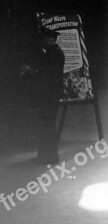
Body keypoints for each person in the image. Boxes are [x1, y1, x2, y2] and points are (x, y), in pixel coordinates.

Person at [21, 27, 65, 165]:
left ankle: (49, 156)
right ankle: (47, 156)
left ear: (51, 39)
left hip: (49, 94)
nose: (42, 41)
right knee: (47, 125)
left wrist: (30, 72)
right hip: (50, 93)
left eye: (44, 39)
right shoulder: (54, 52)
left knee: (47, 125)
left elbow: (46, 74)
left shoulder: (54, 53)